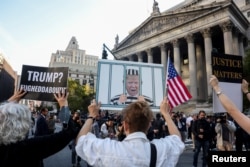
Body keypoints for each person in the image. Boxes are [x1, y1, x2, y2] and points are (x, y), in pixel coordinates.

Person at [75, 97, 185, 167]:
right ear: (149, 125)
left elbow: (80, 141)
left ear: (125, 125)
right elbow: (177, 139)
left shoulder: (109, 149)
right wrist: (166, 114)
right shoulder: (161, 149)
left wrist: (91, 116)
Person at [0, 89, 80, 167]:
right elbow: (69, 132)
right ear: (25, 123)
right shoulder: (29, 148)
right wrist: (63, 105)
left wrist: (10, 102)